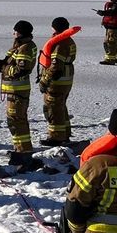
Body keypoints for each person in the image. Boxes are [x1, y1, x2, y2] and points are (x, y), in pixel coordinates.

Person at [0, 20, 38, 153]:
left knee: (16, 120)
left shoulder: (25, 47)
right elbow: (14, 60)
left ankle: (23, 150)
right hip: (15, 90)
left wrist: (4, 68)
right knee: (16, 119)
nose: (13, 33)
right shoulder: (20, 45)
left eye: (15, 31)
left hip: (18, 90)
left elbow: (22, 70)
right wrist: (4, 62)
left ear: (20, 33)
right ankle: (20, 148)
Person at [39, 17, 77, 146]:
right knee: (61, 106)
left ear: (54, 27)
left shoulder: (60, 43)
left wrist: (45, 80)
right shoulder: (69, 40)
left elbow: (55, 67)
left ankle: (56, 137)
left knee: (53, 108)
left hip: (58, 82)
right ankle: (64, 134)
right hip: (66, 80)